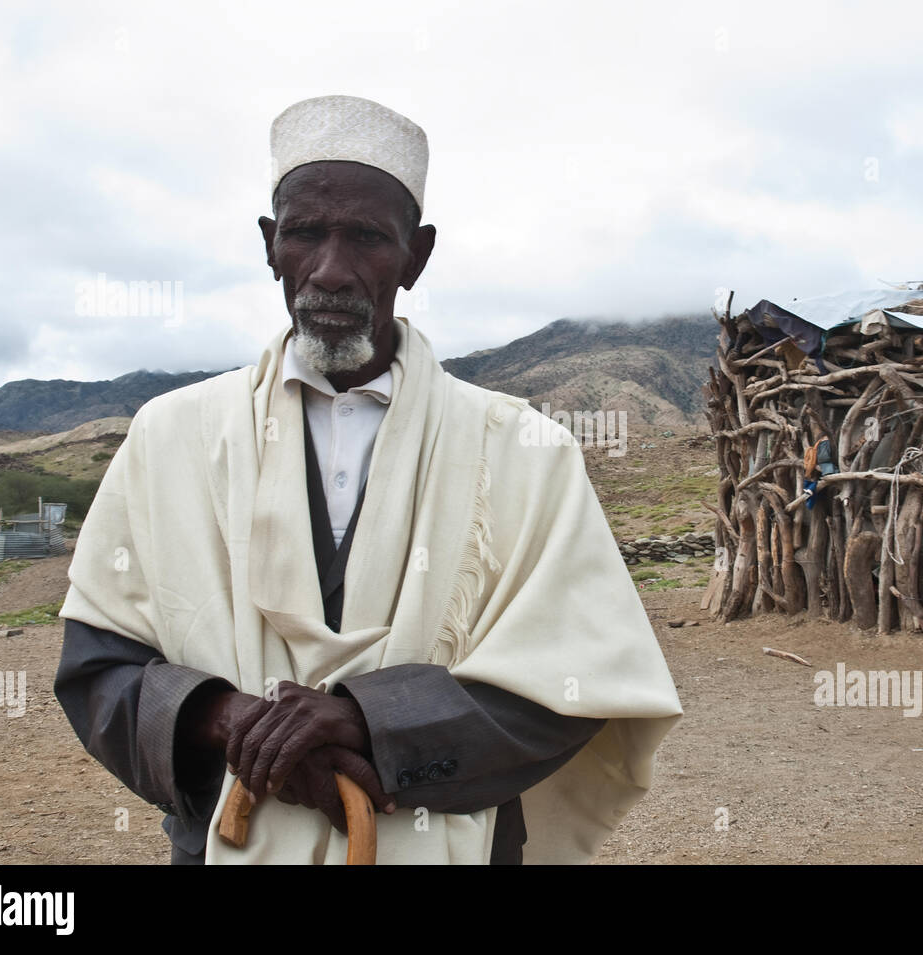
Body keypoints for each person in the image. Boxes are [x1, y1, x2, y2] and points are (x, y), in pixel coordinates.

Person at [54, 94, 682, 864]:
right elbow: (98, 666)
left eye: (366, 239)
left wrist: (366, 723)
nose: (331, 270)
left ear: (416, 255)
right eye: (305, 234)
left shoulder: (526, 448)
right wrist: (232, 722)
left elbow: (580, 676)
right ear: (268, 244)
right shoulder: (170, 435)